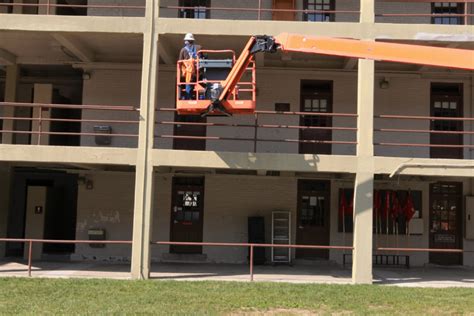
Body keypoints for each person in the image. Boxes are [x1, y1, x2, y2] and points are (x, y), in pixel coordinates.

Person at [179, 33, 202, 100]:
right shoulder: (198, 48)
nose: (186, 42)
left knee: (189, 83)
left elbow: (180, 62)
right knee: (193, 83)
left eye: (187, 40)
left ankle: (189, 98)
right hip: (195, 71)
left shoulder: (183, 50)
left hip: (191, 72)